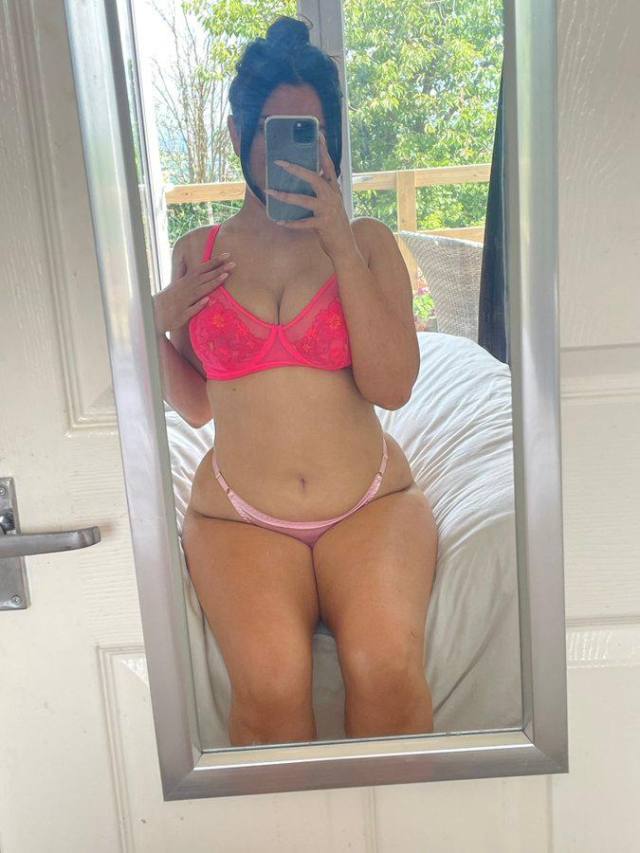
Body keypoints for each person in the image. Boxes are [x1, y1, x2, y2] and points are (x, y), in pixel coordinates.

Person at [153, 15, 438, 747]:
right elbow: (195, 404)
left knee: (386, 669)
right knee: (272, 689)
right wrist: (149, 329)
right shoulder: (198, 253)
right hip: (237, 516)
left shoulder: (368, 241)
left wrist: (338, 243)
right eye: (275, 134)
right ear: (237, 135)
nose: (292, 152)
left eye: (309, 134)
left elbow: (393, 386)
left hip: (371, 504)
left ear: (330, 139)